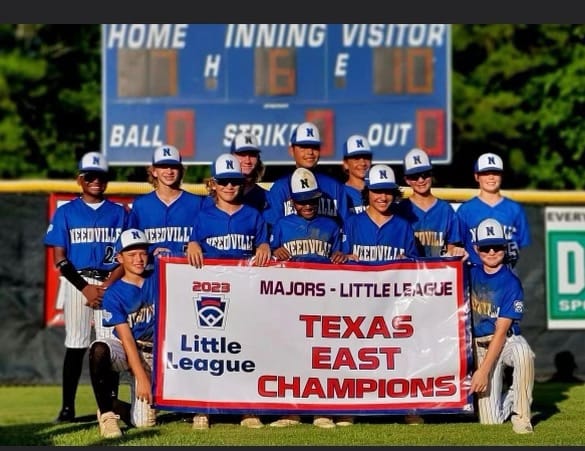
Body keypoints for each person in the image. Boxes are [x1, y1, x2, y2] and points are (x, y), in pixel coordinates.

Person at [186, 153, 271, 429]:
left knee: (246, 351)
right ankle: (203, 409)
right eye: (224, 182)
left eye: (234, 181)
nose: (230, 187)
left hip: (245, 294)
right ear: (213, 184)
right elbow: (191, 246)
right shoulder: (202, 217)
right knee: (210, 352)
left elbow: (263, 245)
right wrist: (192, 244)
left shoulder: (254, 215)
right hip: (213, 293)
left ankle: (247, 409)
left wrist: (263, 245)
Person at [44, 151, 128, 423]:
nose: (96, 181)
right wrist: (85, 288)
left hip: (109, 282)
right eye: (90, 176)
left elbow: (126, 257)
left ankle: (109, 404)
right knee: (76, 345)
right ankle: (67, 407)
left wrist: (106, 285)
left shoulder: (119, 213)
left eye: (101, 176)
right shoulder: (66, 211)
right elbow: (60, 258)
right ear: (80, 180)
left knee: (108, 345)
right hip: (77, 282)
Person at [269, 167, 348, 429]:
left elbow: (343, 259)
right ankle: (290, 411)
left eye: (312, 199)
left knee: (320, 356)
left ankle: (321, 410)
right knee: (289, 354)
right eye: (302, 200)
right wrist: (273, 250)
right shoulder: (282, 225)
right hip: (290, 300)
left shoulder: (331, 224)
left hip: (322, 301)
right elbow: (269, 259)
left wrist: (340, 257)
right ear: (293, 202)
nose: (307, 205)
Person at [88, 228, 158, 439]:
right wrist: (142, 377)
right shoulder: (114, 293)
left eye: (142, 253)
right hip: (128, 349)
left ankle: (114, 404)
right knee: (99, 349)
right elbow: (126, 339)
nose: (138, 259)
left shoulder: (159, 277)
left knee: (144, 423)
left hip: (154, 352)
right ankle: (107, 415)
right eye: (131, 254)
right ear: (119, 258)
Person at [468, 218, 535, 434]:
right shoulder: (469, 273)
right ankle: (515, 393)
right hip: (479, 346)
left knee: (524, 353)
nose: (491, 251)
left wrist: (482, 371)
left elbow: (501, 331)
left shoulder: (511, 282)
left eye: (496, 246)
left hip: (504, 341)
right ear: (477, 248)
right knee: (491, 421)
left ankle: (522, 418)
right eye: (486, 247)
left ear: (505, 248)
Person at [263, 121, 350, 230]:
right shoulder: (279, 188)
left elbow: (346, 228)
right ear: (291, 150)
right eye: (303, 146)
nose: (310, 152)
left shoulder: (335, 187)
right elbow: (272, 229)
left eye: (314, 147)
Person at [128, 144, 206, 264]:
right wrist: (150, 251)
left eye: (173, 166)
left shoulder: (197, 203)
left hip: (187, 270)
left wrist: (196, 243)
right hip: (151, 271)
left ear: (180, 170)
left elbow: (208, 239)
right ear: (154, 171)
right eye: (163, 166)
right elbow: (131, 244)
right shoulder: (140, 205)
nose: (169, 171)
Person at [456, 153, 531, 268]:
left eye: (495, 173)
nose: (491, 177)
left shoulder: (514, 209)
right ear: (477, 176)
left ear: (501, 176)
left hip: (508, 274)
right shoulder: (465, 210)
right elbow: (456, 245)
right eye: (485, 173)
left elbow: (526, 247)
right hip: (474, 275)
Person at [396, 147, 468, 260]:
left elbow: (451, 249)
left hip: (438, 274)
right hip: (410, 273)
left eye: (425, 174)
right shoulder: (401, 210)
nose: (421, 180)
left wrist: (455, 252)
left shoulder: (445, 210)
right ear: (407, 180)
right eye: (414, 176)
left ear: (431, 174)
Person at [342, 164, 419, 264]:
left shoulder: (404, 226)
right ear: (367, 192)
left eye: (388, 191)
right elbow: (339, 258)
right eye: (377, 191)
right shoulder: (352, 223)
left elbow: (415, 265)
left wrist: (408, 260)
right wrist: (345, 258)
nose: (383, 197)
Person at [229, 131, 268, 211]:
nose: (247, 161)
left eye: (252, 155)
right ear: (231, 157)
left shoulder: (266, 197)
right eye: (242, 154)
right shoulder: (219, 195)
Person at [341, 134, 373, 215]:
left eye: (366, 157)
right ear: (346, 164)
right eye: (356, 158)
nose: (362, 163)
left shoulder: (378, 191)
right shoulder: (340, 192)